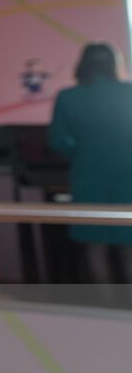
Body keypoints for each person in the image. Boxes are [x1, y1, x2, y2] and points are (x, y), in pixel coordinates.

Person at [48, 42, 132, 284]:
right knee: (129, 247)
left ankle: (103, 309)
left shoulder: (68, 97)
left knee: (95, 246)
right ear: (114, 65)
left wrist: (82, 151)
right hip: (128, 178)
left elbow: (58, 141)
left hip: (89, 177)